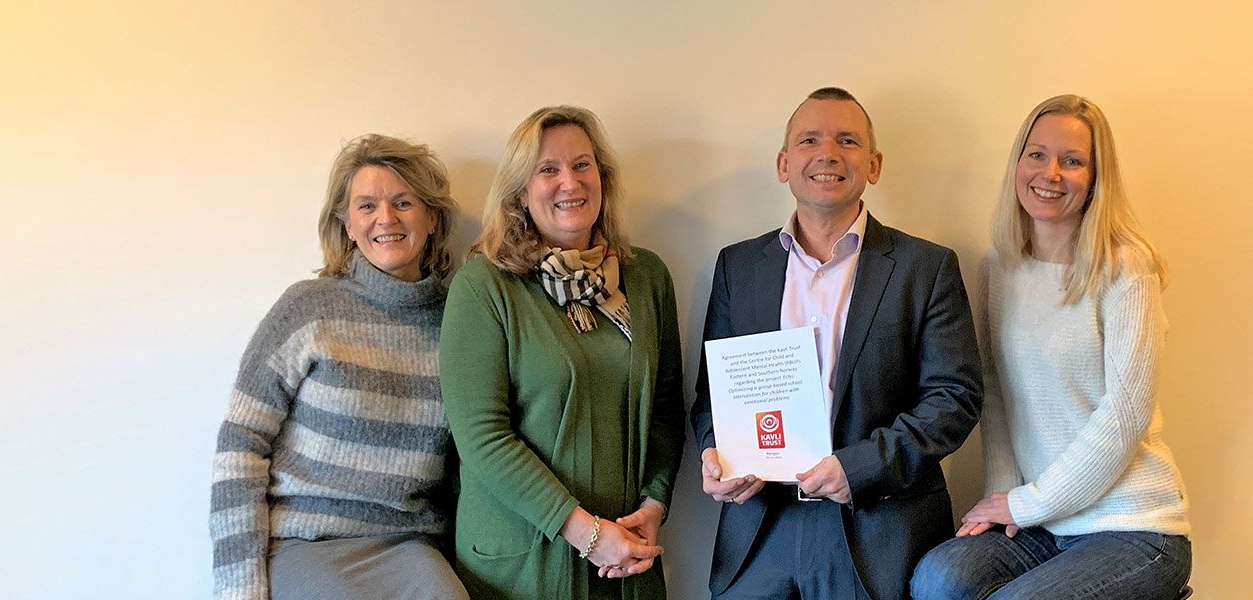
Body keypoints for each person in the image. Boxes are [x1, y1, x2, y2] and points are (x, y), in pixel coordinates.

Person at [689, 87, 983, 600]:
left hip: (877, 531)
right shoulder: (738, 266)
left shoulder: (926, 267)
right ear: (783, 164)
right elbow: (713, 394)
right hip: (758, 532)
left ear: (874, 164)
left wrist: (862, 467)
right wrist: (717, 454)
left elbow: (954, 398)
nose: (827, 153)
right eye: (809, 140)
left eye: (847, 140)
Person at [908, 94, 1193, 600]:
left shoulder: (1126, 269)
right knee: (937, 580)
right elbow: (996, 395)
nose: (1051, 173)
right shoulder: (999, 268)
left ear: (1097, 178)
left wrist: (1027, 504)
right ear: (1018, 163)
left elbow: (1125, 416)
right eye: (1037, 154)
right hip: (1039, 525)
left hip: (1131, 526)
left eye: (1073, 160)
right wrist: (1004, 501)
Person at [439, 106, 685, 600]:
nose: (569, 182)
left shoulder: (646, 278)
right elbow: (482, 438)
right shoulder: (484, 285)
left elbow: (664, 407)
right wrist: (587, 534)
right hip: (524, 564)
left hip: (627, 558)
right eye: (547, 169)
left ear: (602, 177)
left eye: (582, 165)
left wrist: (654, 505)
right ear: (520, 192)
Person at [209, 134, 468, 600]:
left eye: (403, 202)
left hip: (409, 547)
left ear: (432, 217)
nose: (385, 218)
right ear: (347, 225)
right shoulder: (308, 308)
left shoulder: (460, 322)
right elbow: (241, 443)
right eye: (366, 206)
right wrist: (240, 586)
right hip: (305, 545)